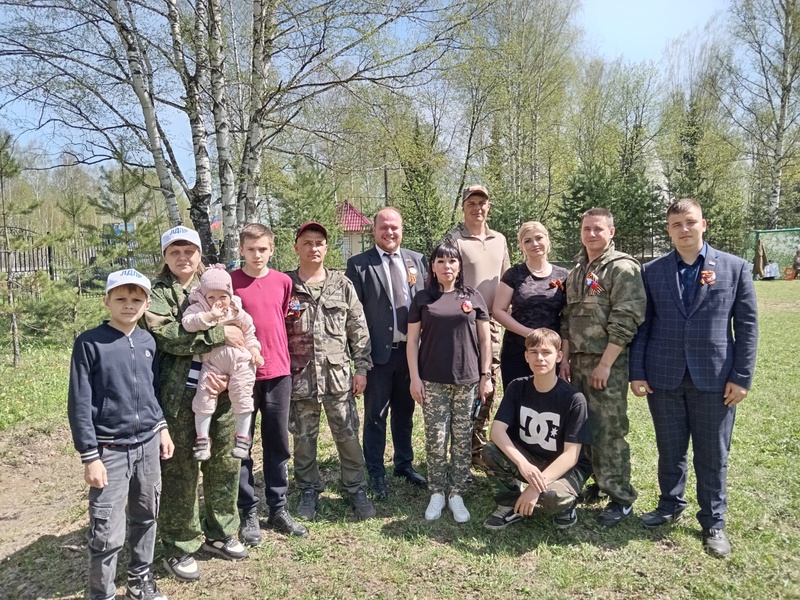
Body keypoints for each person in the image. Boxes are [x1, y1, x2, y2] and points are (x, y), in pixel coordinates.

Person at [630, 199, 758, 558]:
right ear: (668, 229)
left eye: (689, 222)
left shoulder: (735, 268)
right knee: (670, 450)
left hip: (716, 380)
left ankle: (713, 521)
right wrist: (637, 371)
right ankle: (670, 504)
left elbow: (747, 328)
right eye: (676, 224)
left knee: (712, 454)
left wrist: (742, 377)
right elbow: (644, 325)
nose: (683, 230)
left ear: (704, 223)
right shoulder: (652, 271)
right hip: (663, 376)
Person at [143, 226, 248, 583]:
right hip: (179, 397)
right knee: (181, 472)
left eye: (189, 251)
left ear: (200, 253)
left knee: (223, 465)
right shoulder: (158, 294)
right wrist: (219, 334)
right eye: (175, 252)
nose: (183, 258)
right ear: (165, 257)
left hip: (223, 391)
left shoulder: (217, 284)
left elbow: (242, 323)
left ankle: (220, 531)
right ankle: (180, 544)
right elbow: (168, 336)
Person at [68, 269, 174, 600]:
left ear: (145, 304)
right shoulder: (90, 343)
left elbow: (152, 391)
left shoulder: (147, 341)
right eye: (121, 299)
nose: (129, 305)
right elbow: (80, 402)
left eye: (136, 299)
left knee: (146, 517)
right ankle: (101, 593)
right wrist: (90, 456)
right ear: (107, 301)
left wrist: (162, 427)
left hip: (146, 446)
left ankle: (140, 580)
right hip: (109, 452)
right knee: (107, 532)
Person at [560, 208, 646, 527]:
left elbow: (627, 318)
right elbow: (566, 320)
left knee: (609, 430)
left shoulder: (622, 268)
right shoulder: (577, 271)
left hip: (606, 364)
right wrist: (565, 361)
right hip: (577, 363)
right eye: (586, 229)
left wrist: (606, 364)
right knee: (583, 427)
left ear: (611, 232)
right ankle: (596, 480)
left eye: (598, 229)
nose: (592, 234)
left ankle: (621, 497)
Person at [285, 222, 376, 521]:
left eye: (319, 243)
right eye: (307, 242)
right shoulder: (286, 286)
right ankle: (308, 489)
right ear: (296, 247)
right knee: (304, 439)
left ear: (326, 247)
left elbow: (358, 329)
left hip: (338, 378)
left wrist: (361, 368)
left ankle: (355, 488)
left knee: (348, 436)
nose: (314, 248)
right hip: (300, 378)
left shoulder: (341, 284)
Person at [345, 207, 428, 499]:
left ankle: (404, 464)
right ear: (374, 230)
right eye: (384, 227)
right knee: (376, 416)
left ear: (401, 230)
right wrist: (359, 361)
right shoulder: (359, 265)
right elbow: (352, 316)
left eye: (394, 227)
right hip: (378, 355)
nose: (389, 232)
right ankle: (376, 472)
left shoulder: (417, 260)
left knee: (405, 413)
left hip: (411, 354)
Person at [233, 223, 308, 546]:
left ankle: (278, 507)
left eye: (262, 249)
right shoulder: (231, 283)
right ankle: (247, 510)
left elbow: (290, 322)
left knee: (277, 441)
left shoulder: (283, 282)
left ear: (272, 250)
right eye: (251, 250)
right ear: (241, 251)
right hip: (242, 376)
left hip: (278, 372)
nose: (257, 255)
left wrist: (293, 362)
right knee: (242, 444)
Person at [407, 242, 492, 523]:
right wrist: (415, 378)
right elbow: (412, 342)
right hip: (432, 380)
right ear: (432, 266)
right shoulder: (422, 299)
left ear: (459, 266)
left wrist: (485, 376)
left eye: (452, 261)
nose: (447, 266)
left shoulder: (472, 296)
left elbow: (484, 340)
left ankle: (456, 493)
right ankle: (437, 493)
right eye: (441, 261)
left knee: (462, 438)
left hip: (467, 380)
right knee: (436, 439)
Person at [482, 328, 592, 531]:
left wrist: (534, 487)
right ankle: (510, 502)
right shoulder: (517, 387)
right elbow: (496, 431)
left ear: (559, 356)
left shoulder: (574, 399)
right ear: (526, 356)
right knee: (490, 451)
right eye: (533, 352)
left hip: (563, 467)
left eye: (546, 352)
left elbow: (571, 455)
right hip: (531, 459)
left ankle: (567, 506)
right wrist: (522, 464)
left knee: (551, 498)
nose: (539, 358)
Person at [445, 184, 510, 466]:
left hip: (493, 325)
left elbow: (507, 279)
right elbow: (446, 279)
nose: (477, 208)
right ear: (463, 207)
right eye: (472, 203)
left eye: (482, 203)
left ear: (489, 206)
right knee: (462, 385)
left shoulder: (500, 240)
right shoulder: (455, 239)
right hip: (463, 322)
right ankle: (458, 446)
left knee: (489, 384)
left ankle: (477, 446)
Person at [181, 264, 264, 461]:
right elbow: (188, 324)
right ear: (204, 296)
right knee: (203, 397)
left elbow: (250, 333)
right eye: (212, 297)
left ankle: (243, 438)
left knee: (243, 396)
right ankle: (202, 439)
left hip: (240, 362)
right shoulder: (199, 309)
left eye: (222, 297)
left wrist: (254, 350)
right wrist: (210, 317)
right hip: (211, 363)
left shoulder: (237, 310)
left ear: (230, 295)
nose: (218, 302)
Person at [493, 221, 568, 387]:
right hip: (518, 350)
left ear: (548, 240)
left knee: (549, 403)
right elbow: (498, 310)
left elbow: (568, 317)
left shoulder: (563, 276)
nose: (534, 244)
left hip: (551, 352)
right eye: (527, 240)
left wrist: (564, 357)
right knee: (518, 402)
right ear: (521, 246)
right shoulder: (513, 274)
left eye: (539, 238)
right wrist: (528, 333)